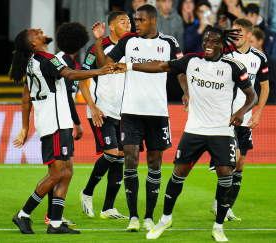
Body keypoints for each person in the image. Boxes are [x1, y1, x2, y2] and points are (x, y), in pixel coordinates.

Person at [113, 25, 257, 241]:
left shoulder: (233, 66)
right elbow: (160, 65)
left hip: (222, 131)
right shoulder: (191, 61)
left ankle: (218, 227)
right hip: (194, 130)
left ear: (221, 44)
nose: (209, 44)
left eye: (214, 42)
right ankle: (165, 219)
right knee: (178, 174)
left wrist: (242, 111)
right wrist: (130, 66)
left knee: (226, 176)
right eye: (206, 40)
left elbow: (252, 95)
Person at [9, 28, 112, 234]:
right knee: (56, 174)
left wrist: (25, 126)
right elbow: (71, 74)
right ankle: (23, 214)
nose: (39, 30)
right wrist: (101, 71)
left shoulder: (32, 61)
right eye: (34, 32)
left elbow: (26, 95)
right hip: (55, 123)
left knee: (66, 172)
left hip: (54, 121)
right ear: (34, 44)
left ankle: (56, 223)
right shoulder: (46, 58)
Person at [92, 4, 184, 232]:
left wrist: (187, 91)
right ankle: (134, 217)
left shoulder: (169, 43)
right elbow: (104, 65)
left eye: (140, 20)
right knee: (130, 161)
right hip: (131, 111)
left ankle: (149, 218)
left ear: (153, 21)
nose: (135, 24)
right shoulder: (128, 42)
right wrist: (98, 41)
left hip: (158, 112)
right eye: (135, 20)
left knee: (155, 165)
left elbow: (179, 69)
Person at [210, 19, 269, 221]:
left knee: (241, 163)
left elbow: (265, 88)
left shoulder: (259, 58)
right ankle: (220, 204)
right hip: (226, 117)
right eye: (233, 31)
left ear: (249, 35)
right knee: (231, 160)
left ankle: (225, 206)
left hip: (246, 118)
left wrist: (258, 113)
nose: (235, 34)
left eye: (239, 31)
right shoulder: (225, 55)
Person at [79, 11, 131, 220]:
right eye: (123, 21)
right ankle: (87, 192)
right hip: (102, 110)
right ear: (111, 26)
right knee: (112, 153)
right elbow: (83, 79)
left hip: (125, 112)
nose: (128, 25)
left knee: (120, 158)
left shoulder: (133, 47)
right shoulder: (97, 48)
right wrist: (92, 106)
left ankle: (108, 207)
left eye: (129, 21)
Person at [44, 22, 89, 227]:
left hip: (60, 121)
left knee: (61, 171)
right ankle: (49, 215)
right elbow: (68, 99)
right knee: (61, 171)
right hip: (57, 122)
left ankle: (53, 215)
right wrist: (77, 123)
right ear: (80, 44)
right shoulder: (62, 63)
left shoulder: (66, 61)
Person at [250, 29, 276, 103]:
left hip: (264, 106)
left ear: (260, 41)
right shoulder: (245, 60)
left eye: (251, 41)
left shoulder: (270, 62)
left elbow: (273, 86)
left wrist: (266, 104)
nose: (249, 44)